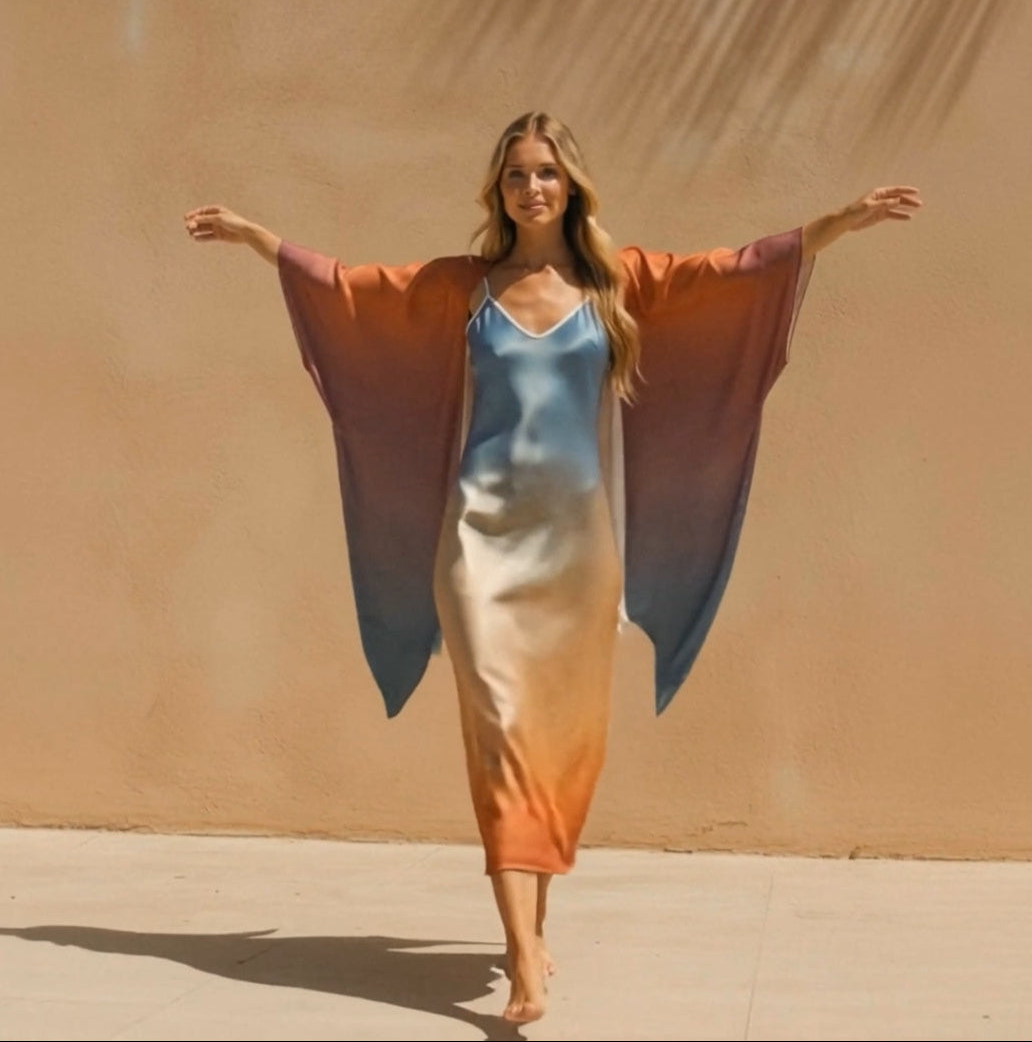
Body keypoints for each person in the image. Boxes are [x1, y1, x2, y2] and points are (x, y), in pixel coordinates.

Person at [184, 111, 921, 1024]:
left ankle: (527, 928)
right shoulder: (465, 288)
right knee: (498, 737)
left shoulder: (617, 283)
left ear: (571, 186)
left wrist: (834, 226)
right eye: (516, 175)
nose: (532, 187)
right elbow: (353, 292)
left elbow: (728, 274)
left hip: (579, 549)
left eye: (547, 173)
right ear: (498, 190)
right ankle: (526, 958)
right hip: (480, 543)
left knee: (561, 752)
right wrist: (262, 240)